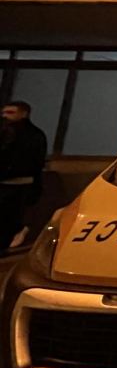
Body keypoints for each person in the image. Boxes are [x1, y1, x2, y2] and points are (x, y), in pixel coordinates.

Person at [0, 101, 48, 256]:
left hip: (15, 182)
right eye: (4, 113)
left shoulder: (13, 133)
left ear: (24, 114)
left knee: (8, 218)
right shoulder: (36, 134)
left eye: (10, 113)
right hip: (20, 182)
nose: (5, 116)